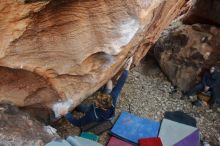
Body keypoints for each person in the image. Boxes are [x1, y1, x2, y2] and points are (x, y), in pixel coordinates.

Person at [59, 57, 133, 127]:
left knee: (81, 107)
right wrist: (127, 67)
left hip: (97, 114)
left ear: (98, 105)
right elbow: (120, 84)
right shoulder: (112, 97)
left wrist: (66, 114)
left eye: (96, 101)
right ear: (108, 97)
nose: (95, 101)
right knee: (109, 82)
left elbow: (78, 123)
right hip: (104, 108)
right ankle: (105, 87)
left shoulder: (93, 115)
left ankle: (79, 108)